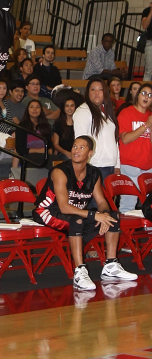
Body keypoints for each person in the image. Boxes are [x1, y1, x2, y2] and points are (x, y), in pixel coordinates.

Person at [33, 135, 138, 291]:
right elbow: (63, 207)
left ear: (90, 153)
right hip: (47, 211)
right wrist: (95, 216)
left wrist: (105, 216)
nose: (76, 151)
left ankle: (110, 266)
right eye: (75, 146)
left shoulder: (94, 173)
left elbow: (101, 201)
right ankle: (79, 271)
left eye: (82, 148)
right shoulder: (60, 171)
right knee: (78, 221)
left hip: (76, 212)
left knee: (113, 217)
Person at [73, 78, 120, 182]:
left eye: (100, 89)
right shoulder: (83, 111)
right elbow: (80, 141)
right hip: (94, 166)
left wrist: (117, 164)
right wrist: (83, 167)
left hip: (110, 166)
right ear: (87, 92)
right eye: (93, 89)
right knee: (96, 198)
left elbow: (114, 140)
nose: (97, 93)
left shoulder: (107, 113)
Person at [118, 83, 152, 212]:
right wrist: (145, 126)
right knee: (128, 205)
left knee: (150, 206)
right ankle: (125, 232)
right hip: (130, 166)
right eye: (143, 93)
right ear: (137, 96)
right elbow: (125, 139)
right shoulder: (127, 113)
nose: (146, 97)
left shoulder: (150, 116)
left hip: (148, 166)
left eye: (150, 95)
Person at [16, 99, 54, 169]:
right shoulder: (22, 126)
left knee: (57, 161)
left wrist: (50, 150)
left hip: (44, 155)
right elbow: (20, 149)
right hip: (28, 157)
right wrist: (39, 150)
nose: (35, 109)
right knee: (51, 161)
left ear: (41, 110)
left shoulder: (45, 126)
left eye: (38, 107)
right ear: (27, 110)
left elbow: (50, 145)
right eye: (31, 107)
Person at [141, 0, 152, 81]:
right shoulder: (146, 11)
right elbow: (145, 26)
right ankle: (145, 91)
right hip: (150, 42)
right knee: (149, 70)